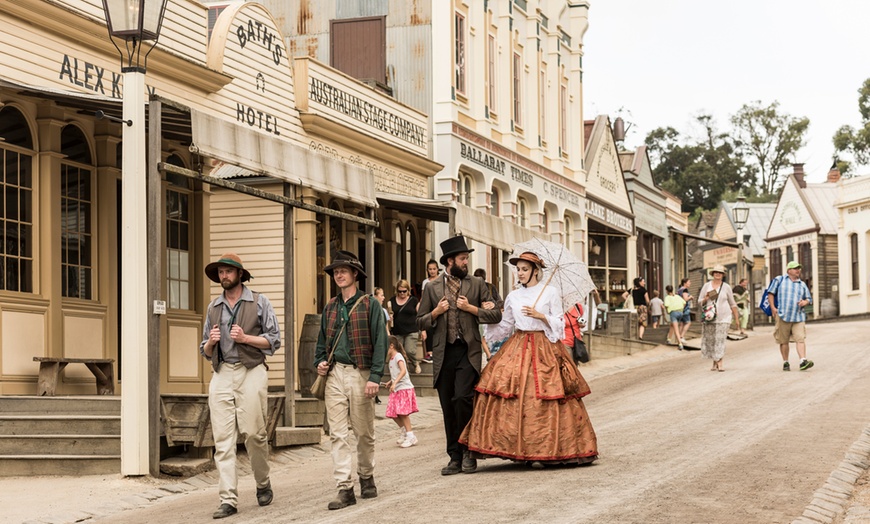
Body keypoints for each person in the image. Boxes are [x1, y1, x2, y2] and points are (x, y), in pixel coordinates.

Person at [459, 252, 598, 469]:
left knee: (546, 394)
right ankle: (517, 449)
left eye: (524, 269)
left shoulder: (550, 292)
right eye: (518, 269)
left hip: (545, 346)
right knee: (509, 390)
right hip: (518, 343)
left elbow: (560, 324)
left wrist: (541, 316)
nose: (520, 273)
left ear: (535, 270)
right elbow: (505, 325)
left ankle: (547, 449)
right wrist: (487, 316)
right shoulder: (513, 296)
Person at [199, 253, 281, 519]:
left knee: (254, 434)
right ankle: (228, 499)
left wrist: (246, 338)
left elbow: (274, 340)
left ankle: (262, 482)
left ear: (240, 274)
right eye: (220, 272)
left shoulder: (259, 302)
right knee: (223, 440)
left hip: (251, 371)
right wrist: (211, 342)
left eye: (228, 272)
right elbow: (205, 350)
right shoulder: (213, 308)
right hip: (222, 373)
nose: (224, 276)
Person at [417, 235, 501, 476]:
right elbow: (418, 321)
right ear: (450, 261)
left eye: (466, 258)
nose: (466, 262)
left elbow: (496, 314)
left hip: (468, 351)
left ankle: (468, 451)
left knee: (463, 398)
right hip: (443, 354)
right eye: (463, 259)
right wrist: (435, 312)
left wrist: (471, 309)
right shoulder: (432, 288)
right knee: (447, 405)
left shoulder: (476, 284)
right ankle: (454, 456)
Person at [313, 250, 388, 510]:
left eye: (344, 270)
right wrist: (320, 362)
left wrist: (375, 377)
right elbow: (321, 343)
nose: (339, 274)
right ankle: (344, 488)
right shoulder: (330, 306)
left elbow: (381, 342)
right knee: (337, 434)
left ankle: (366, 476)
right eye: (335, 271)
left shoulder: (370, 304)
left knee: (364, 433)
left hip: (361, 373)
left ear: (355, 274)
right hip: (335, 374)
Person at [768, 261, 814, 372]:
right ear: (789, 270)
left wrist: (805, 302)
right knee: (784, 341)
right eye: (795, 268)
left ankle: (803, 361)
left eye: (799, 268)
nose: (798, 270)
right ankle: (785, 362)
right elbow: (771, 293)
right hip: (783, 315)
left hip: (798, 316)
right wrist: (773, 308)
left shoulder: (802, 284)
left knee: (800, 338)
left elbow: (809, 298)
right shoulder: (780, 280)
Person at [697, 265, 739, 371]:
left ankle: (720, 363)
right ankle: (715, 362)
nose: (717, 274)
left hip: (724, 317)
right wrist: (706, 298)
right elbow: (699, 302)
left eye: (720, 273)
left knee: (720, 340)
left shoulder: (726, 287)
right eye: (716, 272)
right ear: (712, 274)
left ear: (723, 275)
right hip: (709, 317)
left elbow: (733, 303)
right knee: (711, 340)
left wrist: (737, 319)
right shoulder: (707, 286)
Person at [382, 335, 419, 448]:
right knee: (392, 413)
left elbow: (403, 371)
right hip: (397, 388)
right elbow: (397, 373)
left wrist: (395, 382)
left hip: (403, 388)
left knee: (403, 413)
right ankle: (404, 431)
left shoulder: (398, 356)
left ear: (391, 346)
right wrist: (390, 382)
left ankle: (411, 435)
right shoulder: (392, 359)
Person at [389, 279, 422, 374]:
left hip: (412, 329)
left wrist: (423, 329)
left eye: (404, 291)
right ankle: (404, 369)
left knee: (409, 350)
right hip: (397, 330)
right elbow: (390, 313)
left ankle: (415, 363)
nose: (402, 293)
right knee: (400, 352)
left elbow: (420, 315)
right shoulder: (392, 300)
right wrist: (390, 318)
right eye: (400, 291)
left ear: (408, 290)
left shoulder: (414, 300)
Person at [420, 259, 441, 363]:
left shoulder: (442, 280)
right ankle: (430, 353)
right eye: (430, 269)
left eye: (434, 269)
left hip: (440, 305)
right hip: (429, 308)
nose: (432, 271)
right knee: (428, 328)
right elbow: (423, 297)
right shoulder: (425, 282)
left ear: (437, 269)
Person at [663, 285, 686, 350]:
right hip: (680, 312)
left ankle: (680, 343)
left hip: (673, 313)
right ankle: (669, 339)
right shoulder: (677, 296)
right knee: (672, 325)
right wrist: (681, 309)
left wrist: (667, 311)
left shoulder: (667, 297)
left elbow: (666, 305)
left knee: (676, 329)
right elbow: (684, 302)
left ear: (666, 291)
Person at [676, 278, 694, 345]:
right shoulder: (685, 290)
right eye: (689, 282)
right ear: (685, 283)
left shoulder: (679, 290)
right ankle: (681, 336)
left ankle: (679, 339)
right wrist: (690, 297)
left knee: (681, 324)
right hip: (685, 309)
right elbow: (685, 299)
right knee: (688, 323)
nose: (690, 283)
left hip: (680, 309)